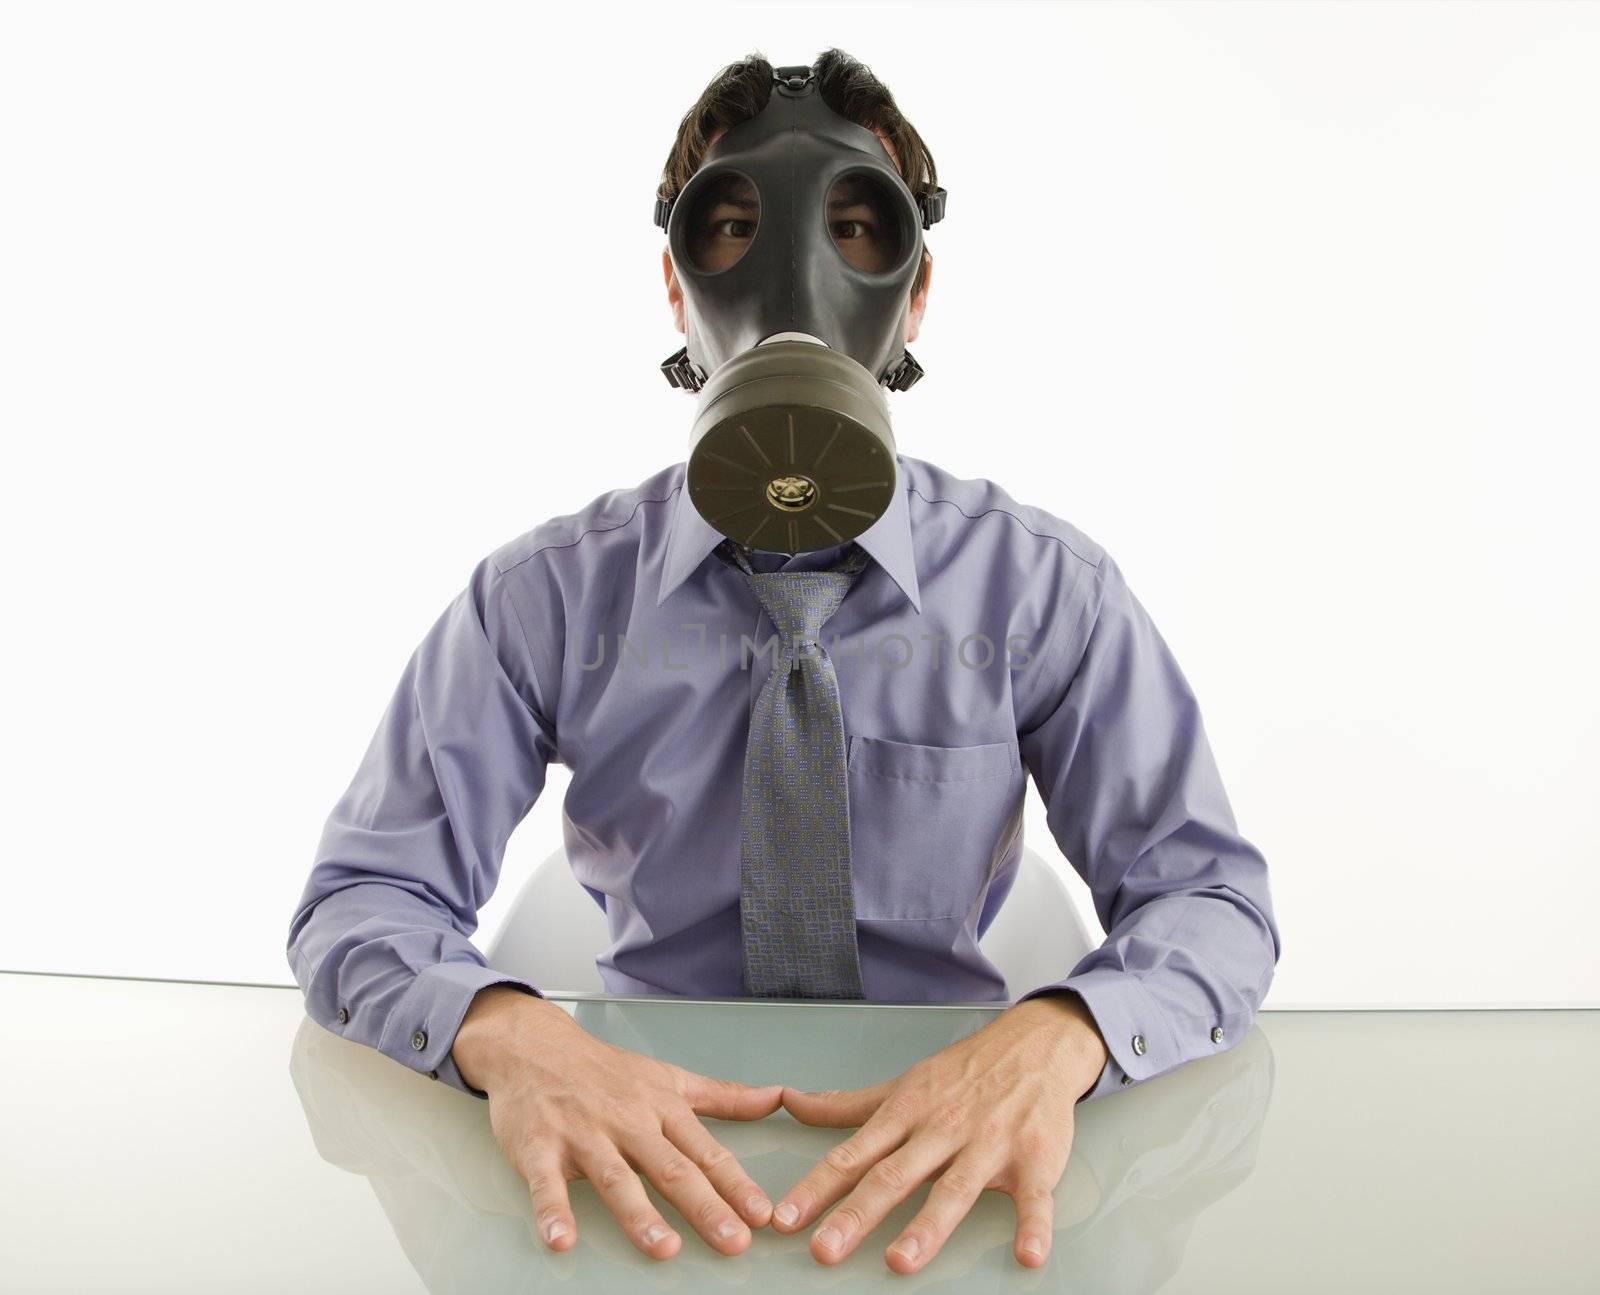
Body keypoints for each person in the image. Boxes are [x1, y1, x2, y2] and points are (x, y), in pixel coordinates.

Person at [285, 47, 1281, 1276]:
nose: (795, 283)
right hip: (640, 1166)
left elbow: (1212, 903)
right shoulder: (543, 598)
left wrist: (1061, 1033)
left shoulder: (1038, 592)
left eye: (859, 229)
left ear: (915, 296)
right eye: (733, 229)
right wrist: (506, 1029)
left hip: (946, 1170)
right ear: (673, 283)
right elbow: (360, 898)